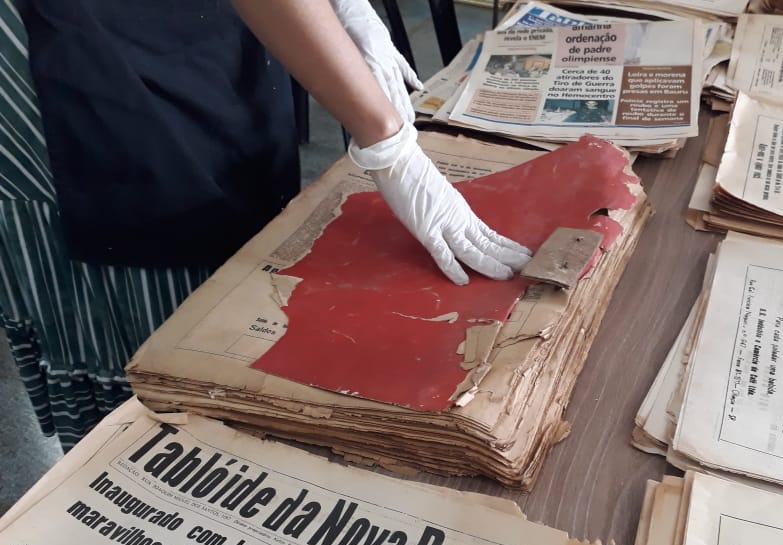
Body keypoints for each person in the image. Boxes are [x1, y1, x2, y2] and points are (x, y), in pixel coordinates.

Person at [1, 0, 530, 450]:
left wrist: (346, 8)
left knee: (244, 218)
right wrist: (390, 148)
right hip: (85, 47)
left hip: (211, 24)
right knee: (155, 235)